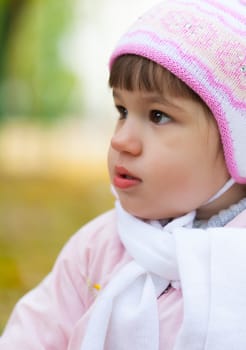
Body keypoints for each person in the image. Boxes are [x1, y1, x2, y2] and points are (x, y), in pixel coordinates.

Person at [1, 0, 246, 349]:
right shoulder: (99, 247)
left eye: (158, 115)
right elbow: (32, 335)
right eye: (122, 110)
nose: (121, 140)